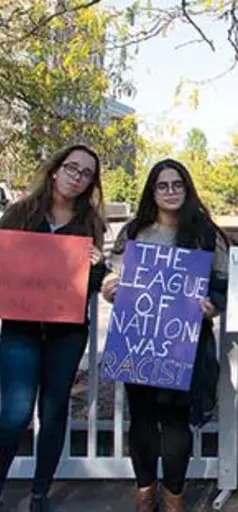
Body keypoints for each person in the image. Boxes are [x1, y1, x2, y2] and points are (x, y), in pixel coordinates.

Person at [101, 159, 230, 512]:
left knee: (175, 422)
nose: (171, 191)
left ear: (187, 189)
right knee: (141, 417)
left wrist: (213, 305)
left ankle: (174, 496)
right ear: (152, 191)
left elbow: (225, 282)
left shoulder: (206, 233)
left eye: (177, 184)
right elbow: (114, 275)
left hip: (186, 340)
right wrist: (110, 289)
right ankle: (145, 491)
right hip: (139, 337)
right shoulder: (134, 231)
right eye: (163, 185)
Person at [0, 145, 108, 512]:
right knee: (14, 414)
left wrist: (97, 265)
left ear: (91, 183)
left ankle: (39, 494)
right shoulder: (20, 214)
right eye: (72, 168)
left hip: (67, 333)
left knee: (54, 413)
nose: (77, 177)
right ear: (55, 170)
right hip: (20, 330)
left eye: (86, 173)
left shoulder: (91, 224)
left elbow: (92, 284)